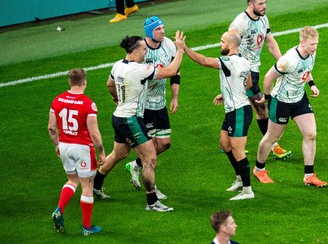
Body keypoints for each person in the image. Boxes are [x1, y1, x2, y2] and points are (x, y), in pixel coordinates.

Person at [93, 31, 185, 212]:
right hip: (131, 120)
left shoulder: (118, 65)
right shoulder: (140, 69)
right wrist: (180, 49)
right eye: (144, 49)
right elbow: (171, 71)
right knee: (149, 158)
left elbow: (110, 85)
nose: (146, 53)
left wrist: (116, 99)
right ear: (135, 52)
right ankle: (152, 202)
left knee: (119, 154)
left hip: (118, 116)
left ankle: (95, 186)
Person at [184, 31, 254, 200]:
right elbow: (249, 83)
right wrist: (226, 93)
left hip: (238, 111)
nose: (220, 44)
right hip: (235, 109)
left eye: (222, 42)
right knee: (224, 144)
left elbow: (204, 61)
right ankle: (239, 180)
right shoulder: (244, 61)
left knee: (238, 150)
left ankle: (247, 190)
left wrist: (184, 48)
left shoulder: (228, 61)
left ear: (231, 45)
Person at [255, 26, 327, 187]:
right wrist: (266, 96)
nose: (315, 47)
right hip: (281, 102)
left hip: (299, 99)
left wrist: (312, 84)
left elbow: (306, 69)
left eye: (316, 44)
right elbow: (268, 77)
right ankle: (259, 169)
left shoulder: (311, 53)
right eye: (312, 44)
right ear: (302, 43)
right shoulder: (288, 60)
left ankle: (309, 175)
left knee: (311, 134)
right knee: (272, 137)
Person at [228, 0, 292, 174]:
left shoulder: (263, 19)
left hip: (253, 71)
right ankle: (273, 146)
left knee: (243, 107)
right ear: (250, 4)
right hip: (243, 72)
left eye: (265, 3)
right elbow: (226, 41)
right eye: (260, 4)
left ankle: (232, 143)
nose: (264, 6)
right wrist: (235, 66)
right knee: (260, 107)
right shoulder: (241, 22)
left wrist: (282, 64)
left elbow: (270, 42)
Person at [125, 16, 181, 200]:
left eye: (163, 28)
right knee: (150, 153)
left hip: (160, 103)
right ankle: (152, 188)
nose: (163, 32)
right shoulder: (141, 50)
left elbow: (175, 71)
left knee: (164, 143)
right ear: (149, 32)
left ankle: (135, 165)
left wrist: (174, 96)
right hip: (144, 106)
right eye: (158, 29)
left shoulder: (169, 45)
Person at [48, 68, 106, 236]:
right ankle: (86, 228)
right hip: (82, 148)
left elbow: (51, 128)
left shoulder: (57, 100)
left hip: (65, 145)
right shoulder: (88, 104)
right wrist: (101, 152)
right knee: (87, 185)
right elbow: (94, 133)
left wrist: (57, 145)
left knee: (72, 180)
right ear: (84, 82)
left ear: (69, 82)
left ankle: (60, 209)